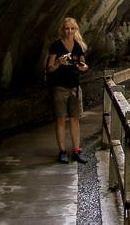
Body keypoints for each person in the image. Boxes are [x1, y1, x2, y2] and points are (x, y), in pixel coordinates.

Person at [46, 17, 90, 164]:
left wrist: (83, 68)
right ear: (63, 30)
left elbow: (84, 65)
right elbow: (49, 69)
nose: (69, 31)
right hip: (60, 87)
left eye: (72, 28)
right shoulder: (56, 46)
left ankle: (77, 151)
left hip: (75, 88)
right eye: (67, 28)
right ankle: (62, 151)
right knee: (60, 119)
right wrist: (58, 62)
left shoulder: (78, 46)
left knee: (75, 119)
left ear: (76, 29)